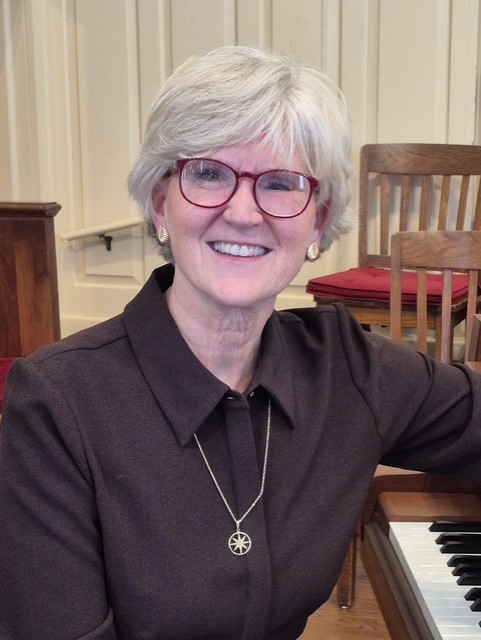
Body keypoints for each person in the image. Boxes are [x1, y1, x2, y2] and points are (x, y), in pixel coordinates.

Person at [1, 45, 481, 640]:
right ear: (160, 203)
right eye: (208, 173)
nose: (244, 213)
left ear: (318, 221)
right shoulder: (57, 401)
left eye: (280, 184)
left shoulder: (348, 368)